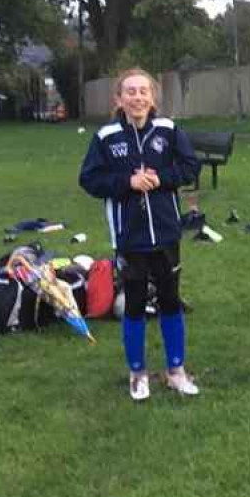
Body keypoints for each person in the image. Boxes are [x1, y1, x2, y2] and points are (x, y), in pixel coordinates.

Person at [79, 68, 202, 401]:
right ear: (119, 99)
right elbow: (89, 179)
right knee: (133, 304)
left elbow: (191, 167)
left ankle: (176, 370)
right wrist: (126, 183)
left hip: (165, 233)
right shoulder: (106, 137)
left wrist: (160, 178)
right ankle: (138, 374)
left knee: (170, 300)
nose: (137, 97)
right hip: (128, 236)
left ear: (153, 97)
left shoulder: (169, 130)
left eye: (143, 91)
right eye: (130, 92)